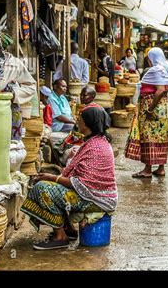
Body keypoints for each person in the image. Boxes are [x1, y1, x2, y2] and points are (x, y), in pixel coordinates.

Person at [21, 106, 117, 250]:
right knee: (50, 186)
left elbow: (80, 184)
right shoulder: (97, 141)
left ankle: (61, 236)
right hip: (97, 196)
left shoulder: (96, 147)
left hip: (96, 199)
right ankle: (68, 229)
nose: (78, 122)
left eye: (80, 120)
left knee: (42, 188)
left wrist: (52, 178)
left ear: (88, 124)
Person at [125, 47, 168, 178]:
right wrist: (167, 89)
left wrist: (150, 109)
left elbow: (160, 90)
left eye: (149, 58)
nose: (149, 61)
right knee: (161, 135)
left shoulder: (156, 70)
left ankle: (147, 169)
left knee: (149, 136)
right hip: (162, 107)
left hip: (153, 106)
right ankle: (161, 168)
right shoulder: (166, 68)